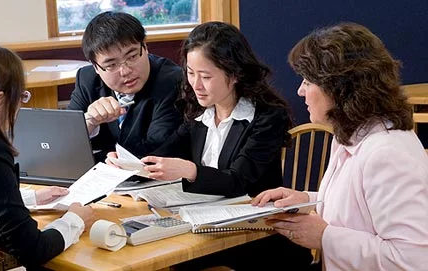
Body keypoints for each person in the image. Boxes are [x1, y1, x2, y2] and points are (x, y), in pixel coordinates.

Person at [130, 21, 312, 270]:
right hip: (205, 228)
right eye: (191, 73)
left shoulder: (268, 117)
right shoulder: (200, 112)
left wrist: (189, 171)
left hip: (255, 238)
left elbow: (238, 181)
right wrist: (130, 162)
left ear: (235, 74)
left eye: (206, 76)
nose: (196, 84)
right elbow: (164, 151)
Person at [252, 22, 428, 270]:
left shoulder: (387, 154)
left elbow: (412, 260)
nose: (300, 91)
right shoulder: (352, 134)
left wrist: (325, 237)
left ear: (339, 88)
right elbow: (361, 211)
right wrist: (306, 200)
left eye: (307, 81)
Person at [0, 41, 96, 271]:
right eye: (20, 97)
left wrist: (30, 199)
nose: (19, 107)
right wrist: (75, 220)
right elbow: (32, 249)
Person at [68, 11, 183, 162]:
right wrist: (90, 123)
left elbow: (155, 151)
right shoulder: (87, 79)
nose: (126, 71)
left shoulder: (172, 81)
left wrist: (101, 158)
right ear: (96, 67)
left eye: (132, 56)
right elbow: (65, 144)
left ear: (145, 47)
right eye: (111, 65)